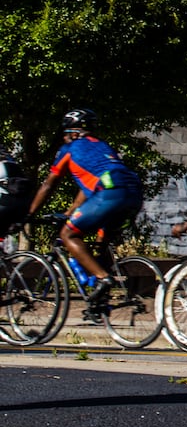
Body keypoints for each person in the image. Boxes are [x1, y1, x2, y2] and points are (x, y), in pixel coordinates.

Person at [26, 108, 143, 313]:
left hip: (109, 193)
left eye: (64, 134)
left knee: (68, 233)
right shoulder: (103, 146)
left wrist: (29, 213)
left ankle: (103, 278)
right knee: (101, 245)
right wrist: (71, 212)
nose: (64, 138)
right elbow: (87, 188)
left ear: (72, 133)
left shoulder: (69, 149)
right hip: (134, 194)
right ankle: (100, 304)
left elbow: (48, 185)